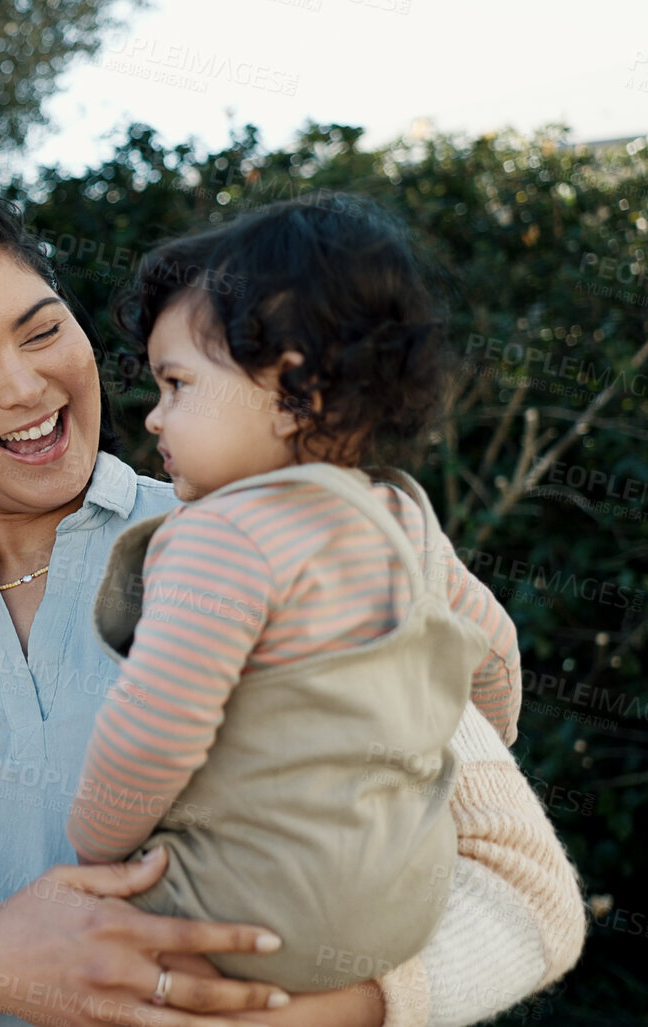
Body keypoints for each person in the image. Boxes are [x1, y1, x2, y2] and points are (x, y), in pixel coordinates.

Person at [0, 194, 585, 1027]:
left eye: (41, 331)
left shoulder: (277, 531)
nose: (25, 384)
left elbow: (524, 896)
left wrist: (291, 1019)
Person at [65, 194, 523, 991]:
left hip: (245, 908)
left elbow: (151, 734)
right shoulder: (404, 520)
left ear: (290, 391)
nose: (154, 419)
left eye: (175, 384)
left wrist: (94, 846)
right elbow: (494, 655)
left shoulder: (221, 533)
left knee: (77, 946)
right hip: (406, 906)